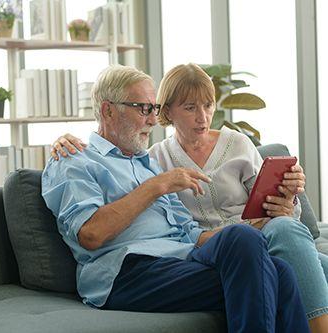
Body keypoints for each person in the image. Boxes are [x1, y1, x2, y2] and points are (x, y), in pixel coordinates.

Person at [51, 63, 328, 333]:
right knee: (268, 266)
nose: (150, 119)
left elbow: (191, 234)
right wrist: (157, 186)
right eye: (142, 109)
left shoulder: (147, 164)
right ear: (107, 111)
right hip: (126, 272)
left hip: (181, 258)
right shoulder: (75, 160)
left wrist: (256, 225)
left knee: (272, 264)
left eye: (153, 109)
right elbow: (91, 234)